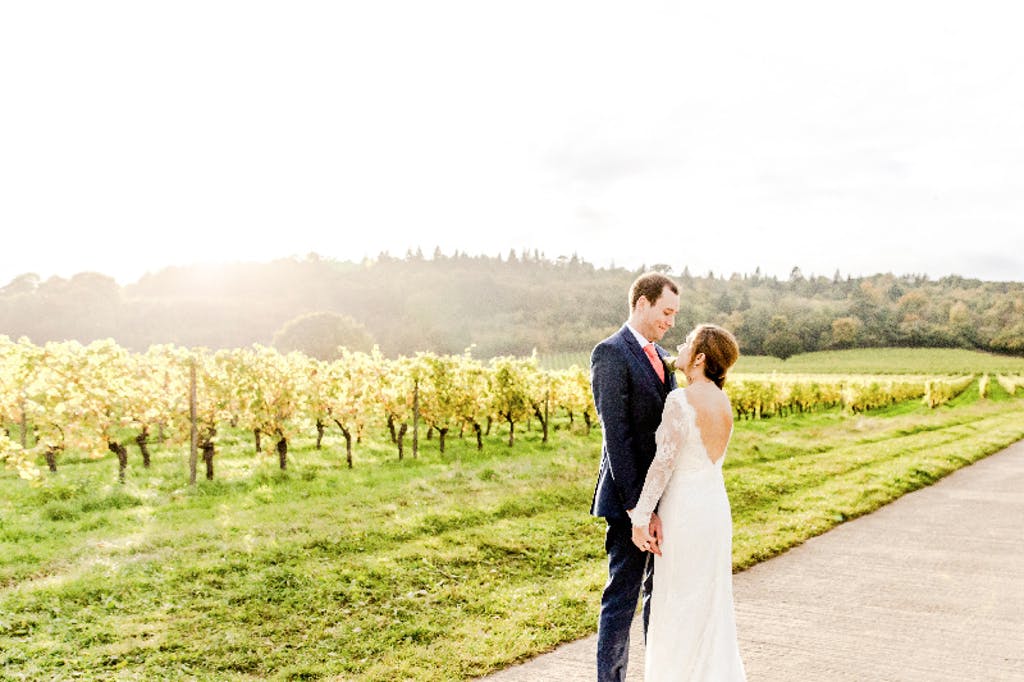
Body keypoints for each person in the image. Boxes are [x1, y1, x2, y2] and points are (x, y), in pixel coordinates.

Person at [630, 324, 746, 681]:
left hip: (685, 512)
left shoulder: (680, 400)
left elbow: (663, 464)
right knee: (710, 603)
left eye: (686, 343)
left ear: (699, 358)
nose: (677, 346)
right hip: (713, 509)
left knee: (678, 601)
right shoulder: (722, 400)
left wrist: (641, 516)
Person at [590, 272, 680, 682]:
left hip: (665, 498)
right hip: (629, 501)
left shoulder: (662, 359)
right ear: (641, 303)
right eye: (666, 311)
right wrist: (636, 510)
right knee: (622, 598)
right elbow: (617, 436)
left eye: (675, 314)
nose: (670, 321)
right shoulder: (610, 353)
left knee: (658, 597)